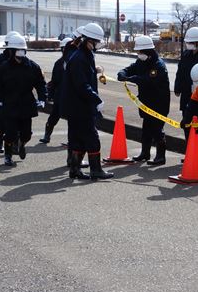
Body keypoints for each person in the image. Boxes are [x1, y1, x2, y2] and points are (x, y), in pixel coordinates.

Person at [61, 22, 114, 180]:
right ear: (88, 41)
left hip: (76, 105)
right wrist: (96, 99)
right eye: (96, 42)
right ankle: (96, 170)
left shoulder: (84, 55)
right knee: (92, 138)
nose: (97, 45)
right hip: (80, 106)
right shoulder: (80, 58)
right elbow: (81, 85)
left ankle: (75, 169)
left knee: (78, 138)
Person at [0, 34, 47, 166]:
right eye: (17, 50)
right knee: (10, 133)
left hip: (26, 104)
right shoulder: (3, 67)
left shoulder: (33, 67)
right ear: (11, 51)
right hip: (9, 104)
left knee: (27, 133)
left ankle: (21, 144)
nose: (20, 53)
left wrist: (42, 97)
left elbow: (40, 83)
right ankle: (8, 155)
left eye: (22, 50)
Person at [117, 36, 170, 165]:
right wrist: (122, 73)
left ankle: (160, 156)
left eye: (140, 52)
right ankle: (144, 153)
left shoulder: (158, 65)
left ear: (148, 51)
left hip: (159, 103)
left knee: (157, 129)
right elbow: (130, 68)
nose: (138, 54)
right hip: (146, 101)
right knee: (146, 128)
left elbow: (147, 80)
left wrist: (131, 78)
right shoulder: (141, 62)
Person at [174, 27, 198, 162]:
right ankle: (190, 152)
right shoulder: (185, 55)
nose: (188, 44)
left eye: (191, 42)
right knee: (187, 124)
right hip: (186, 95)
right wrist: (177, 87)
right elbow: (180, 72)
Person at [39, 37, 74, 144]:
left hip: (70, 96)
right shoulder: (59, 63)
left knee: (71, 120)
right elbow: (54, 81)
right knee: (55, 116)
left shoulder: (75, 62)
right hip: (61, 95)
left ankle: (71, 140)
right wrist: (49, 95)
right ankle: (47, 135)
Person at [0, 31, 19, 153]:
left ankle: (14, 145)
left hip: (16, 97)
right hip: (2, 96)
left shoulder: (20, 58)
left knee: (17, 122)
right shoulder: (0, 59)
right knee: (1, 121)